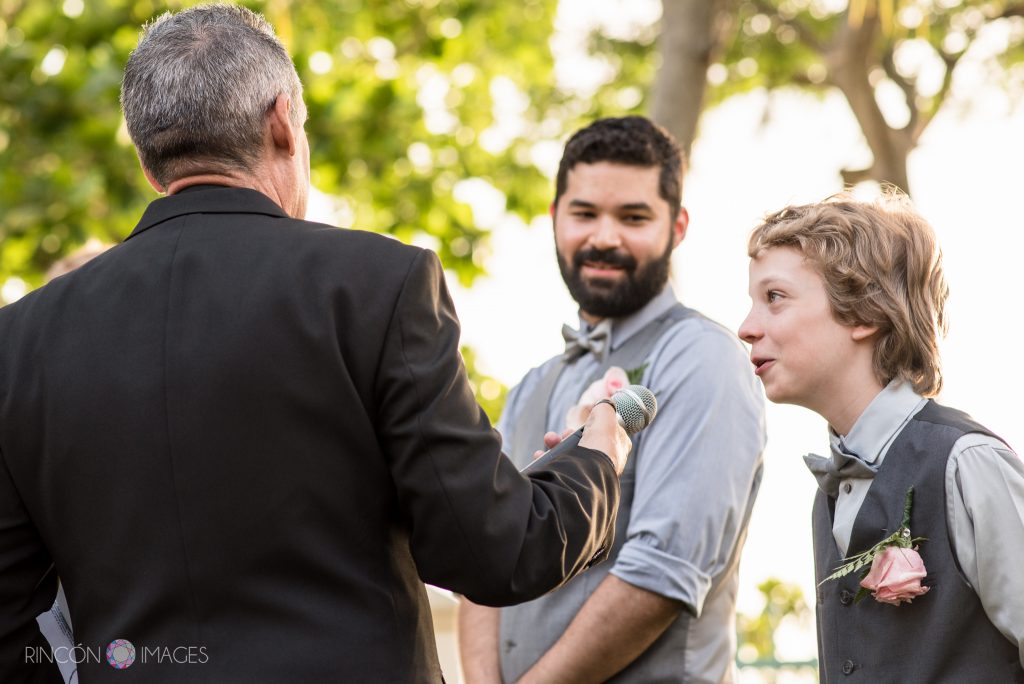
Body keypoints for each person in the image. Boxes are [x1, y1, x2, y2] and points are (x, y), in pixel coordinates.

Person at [0, 5, 632, 682]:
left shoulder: (20, 339)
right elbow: (493, 549)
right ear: (282, 120)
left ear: (149, 158)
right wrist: (596, 455)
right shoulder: (379, 286)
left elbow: (13, 627)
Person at [459, 116, 766, 683]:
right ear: (555, 219)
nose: (604, 237)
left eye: (633, 217)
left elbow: (662, 574)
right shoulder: (532, 384)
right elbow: (484, 550)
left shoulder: (705, 360)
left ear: (677, 228)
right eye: (584, 214)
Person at [738, 193, 1024, 682]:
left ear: (864, 313)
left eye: (774, 298)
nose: (747, 328)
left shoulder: (965, 462)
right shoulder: (828, 491)